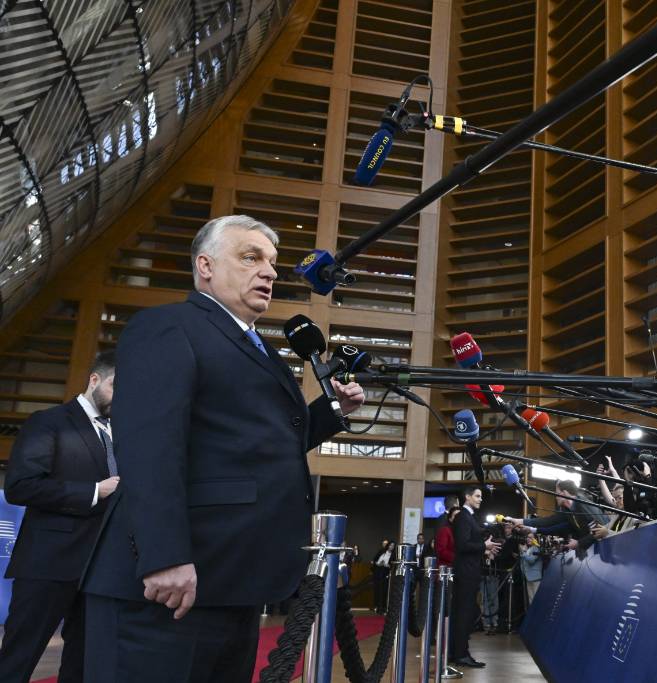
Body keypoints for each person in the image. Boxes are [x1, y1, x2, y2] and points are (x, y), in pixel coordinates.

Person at [79, 215, 365, 683]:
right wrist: (165, 555)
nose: (270, 272)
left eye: (272, 262)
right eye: (251, 257)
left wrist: (331, 411)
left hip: (232, 578)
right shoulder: (168, 326)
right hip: (170, 582)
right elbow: (150, 446)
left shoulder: (260, 349)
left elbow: (259, 444)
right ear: (205, 266)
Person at [0, 351, 119, 683]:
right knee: (18, 658)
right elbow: (21, 486)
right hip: (48, 563)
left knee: (83, 663)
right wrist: (94, 491)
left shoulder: (119, 433)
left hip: (100, 569)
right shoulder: (47, 421)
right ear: (94, 379)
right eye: (115, 387)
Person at [449, 486, 500, 669]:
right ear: (467, 497)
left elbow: (469, 543)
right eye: (477, 496)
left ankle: (457, 652)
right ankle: (461, 654)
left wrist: (485, 547)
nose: (480, 499)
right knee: (464, 613)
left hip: (469, 570)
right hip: (466, 572)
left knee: (463, 613)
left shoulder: (467, 516)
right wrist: (483, 546)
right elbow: (462, 545)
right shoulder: (463, 516)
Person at [506, 479, 609, 554]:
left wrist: (579, 543)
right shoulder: (566, 510)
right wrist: (520, 521)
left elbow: (599, 531)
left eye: (557, 493)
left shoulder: (583, 505)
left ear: (564, 493)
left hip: (607, 546)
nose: (556, 497)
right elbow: (549, 521)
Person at [518, 532, 542, 605]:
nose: (528, 539)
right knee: (531, 599)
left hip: (535, 578)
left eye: (531, 537)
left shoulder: (536, 548)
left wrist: (524, 552)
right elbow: (524, 561)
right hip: (528, 577)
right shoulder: (529, 548)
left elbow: (531, 560)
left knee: (537, 599)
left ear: (535, 539)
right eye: (528, 537)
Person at [371, 540, 393, 614]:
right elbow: (374, 561)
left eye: (393, 546)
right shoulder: (381, 551)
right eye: (390, 545)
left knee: (384, 591)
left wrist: (388, 565)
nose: (391, 547)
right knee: (377, 590)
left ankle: (383, 608)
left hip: (386, 573)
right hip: (378, 572)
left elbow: (393, 565)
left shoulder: (393, 555)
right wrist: (378, 563)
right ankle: (377, 607)